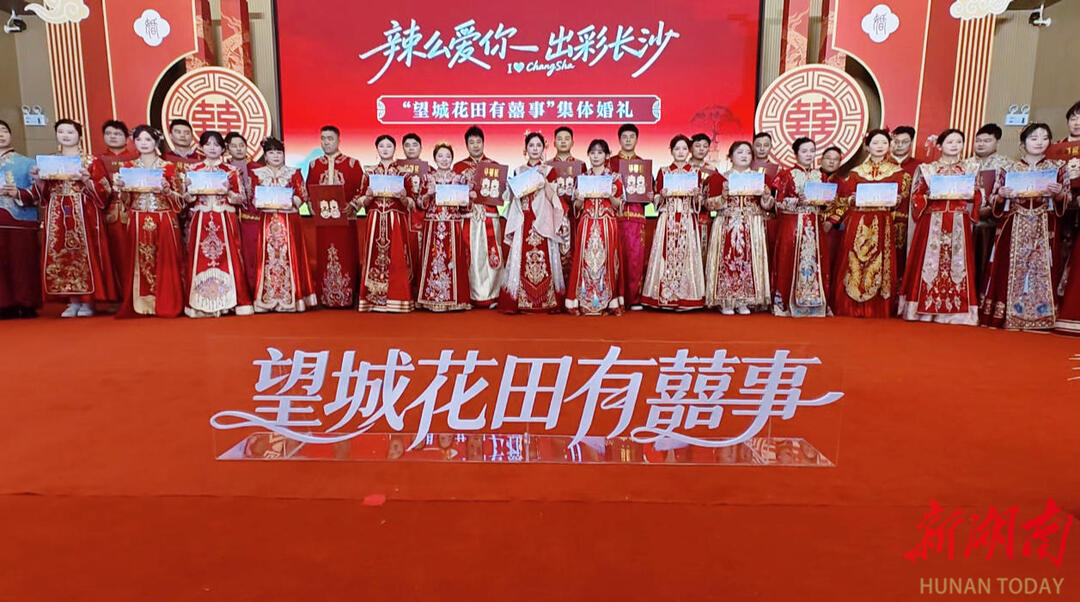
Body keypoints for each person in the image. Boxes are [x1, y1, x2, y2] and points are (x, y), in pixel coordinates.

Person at [977, 123, 1067, 330]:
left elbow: (1066, 199)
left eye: (1044, 138)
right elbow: (994, 200)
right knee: (1008, 267)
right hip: (1014, 223)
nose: (1039, 142)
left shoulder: (1057, 167)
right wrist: (1001, 195)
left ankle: (1041, 316)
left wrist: (1059, 194)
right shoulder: (1008, 168)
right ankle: (1007, 314)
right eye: (1034, 138)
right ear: (1023, 143)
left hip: (1044, 224)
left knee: (1042, 269)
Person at [30, 119, 118, 317]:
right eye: (61, 132)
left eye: (70, 132)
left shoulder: (91, 161)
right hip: (58, 211)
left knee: (84, 253)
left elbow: (105, 190)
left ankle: (89, 301)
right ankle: (72, 300)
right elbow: (43, 194)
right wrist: (38, 179)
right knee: (61, 253)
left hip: (84, 211)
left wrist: (87, 180)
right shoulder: (49, 161)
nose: (66, 135)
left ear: (79, 135)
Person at [825, 129, 911, 318]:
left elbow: (902, 201)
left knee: (879, 261)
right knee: (853, 260)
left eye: (884, 143)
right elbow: (844, 200)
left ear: (890, 145)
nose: (879, 146)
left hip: (882, 221)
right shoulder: (856, 172)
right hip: (858, 221)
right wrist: (852, 199)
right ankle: (850, 305)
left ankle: (877, 306)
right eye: (875, 143)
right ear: (867, 146)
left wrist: (897, 200)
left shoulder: (899, 173)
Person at [898, 129, 981, 325]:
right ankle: (923, 310)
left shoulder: (970, 168)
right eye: (950, 142)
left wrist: (973, 195)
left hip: (958, 221)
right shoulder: (928, 169)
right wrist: (928, 196)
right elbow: (916, 196)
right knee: (929, 265)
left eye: (958, 142)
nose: (954, 145)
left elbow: (978, 194)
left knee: (958, 265)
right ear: (940, 146)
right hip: (932, 221)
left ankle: (958, 312)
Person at [113, 125, 185, 318]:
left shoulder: (168, 167)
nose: (143, 143)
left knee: (165, 260)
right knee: (141, 260)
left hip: (163, 217)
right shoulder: (128, 168)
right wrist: (121, 189)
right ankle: (142, 302)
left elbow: (180, 201)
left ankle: (165, 302)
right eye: (139, 140)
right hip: (138, 217)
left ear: (156, 142)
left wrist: (168, 191)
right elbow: (126, 202)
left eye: (148, 139)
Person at [182, 130, 252, 317]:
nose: (212, 148)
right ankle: (200, 302)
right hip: (201, 218)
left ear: (223, 148)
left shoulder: (231, 171)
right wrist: (190, 192)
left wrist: (228, 192)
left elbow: (242, 199)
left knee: (229, 258)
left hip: (224, 217)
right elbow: (185, 199)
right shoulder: (193, 170)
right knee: (200, 258)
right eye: (208, 144)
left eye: (216, 144)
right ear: (201, 147)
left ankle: (230, 301)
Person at [498, 131, 569, 313]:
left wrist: (543, 181)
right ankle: (520, 300)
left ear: (543, 148)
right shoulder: (518, 171)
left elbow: (553, 197)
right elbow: (513, 197)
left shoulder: (549, 171)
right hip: (524, 219)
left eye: (538, 145)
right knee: (521, 257)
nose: (535, 149)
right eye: (531, 145)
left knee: (546, 256)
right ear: (525, 149)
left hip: (543, 220)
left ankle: (547, 301)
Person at [704, 140, 774, 314]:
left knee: (748, 261)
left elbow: (767, 206)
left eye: (748, 153)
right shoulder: (719, 178)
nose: (744, 156)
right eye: (740, 152)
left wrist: (766, 197)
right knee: (727, 260)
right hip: (727, 223)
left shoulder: (760, 178)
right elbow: (709, 205)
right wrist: (723, 196)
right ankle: (726, 301)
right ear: (730, 156)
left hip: (752, 224)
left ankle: (745, 300)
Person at [250, 137, 316, 313]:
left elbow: (302, 195)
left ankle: (293, 298)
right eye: (271, 152)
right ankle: (268, 299)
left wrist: (291, 200)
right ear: (265, 156)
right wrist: (259, 201)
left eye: (279, 152)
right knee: (268, 258)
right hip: (267, 221)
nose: (276, 156)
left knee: (290, 257)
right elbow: (252, 196)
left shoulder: (293, 173)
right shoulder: (257, 173)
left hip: (289, 220)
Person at [642, 135, 706, 311]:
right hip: (667, 217)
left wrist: (697, 196)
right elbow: (656, 198)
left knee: (686, 255)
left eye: (684, 149)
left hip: (687, 217)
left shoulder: (695, 171)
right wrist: (660, 195)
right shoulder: (663, 171)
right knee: (664, 253)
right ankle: (664, 297)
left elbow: (699, 202)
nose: (681, 152)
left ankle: (685, 297)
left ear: (689, 151)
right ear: (671, 151)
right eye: (677, 149)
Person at [770, 137, 831, 317]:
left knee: (816, 260)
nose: (808, 154)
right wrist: (797, 201)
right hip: (792, 224)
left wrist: (826, 201)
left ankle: (814, 303)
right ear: (796, 154)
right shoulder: (786, 175)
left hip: (814, 224)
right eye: (804, 151)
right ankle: (785, 303)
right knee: (788, 260)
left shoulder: (821, 176)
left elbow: (825, 204)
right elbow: (778, 203)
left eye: (812, 151)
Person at [353, 134, 414, 312]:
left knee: (397, 257)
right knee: (373, 257)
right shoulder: (369, 173)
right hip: (375, 219)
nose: (385, 149)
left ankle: (398, 298)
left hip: (396, 221)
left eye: (389, 146)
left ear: (394, 149)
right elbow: (360, 201)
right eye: (382, 146)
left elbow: (411, 202)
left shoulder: (404, 174)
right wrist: (368, 197)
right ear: (377, 149)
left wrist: (404, 198)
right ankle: (373, 300)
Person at [307, 125, 365, 308]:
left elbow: (362, 190)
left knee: (347, 257)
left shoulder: (352, 164)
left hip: (346, 221)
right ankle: (325, 297)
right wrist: (314, 207)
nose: (326, 142)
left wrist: (353, 205)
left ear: (339, 140)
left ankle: (347, 297)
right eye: (323, 138)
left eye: (330, 138)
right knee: (325, 256)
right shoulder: (314, 165)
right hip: (324, 222)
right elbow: (308, 191)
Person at [565, 138, 624, 315]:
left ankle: (609, 302)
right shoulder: (582, 178)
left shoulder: (614, 178)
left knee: (607, 261)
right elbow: (577, 207)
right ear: (588, 155)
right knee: (584, 262)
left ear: (607, 156)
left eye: (600, 153)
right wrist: (579, 199)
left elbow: (618, 206)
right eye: (592, 153)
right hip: (587, 223)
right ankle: (583, 300)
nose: (596, 156)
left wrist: (609, 196)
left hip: (607, 223)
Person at [415, 142, 471, 312]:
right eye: (440, 156)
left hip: (452, 225)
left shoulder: (459, 178)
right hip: (432, 224)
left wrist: (467, 197)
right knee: (433, 259)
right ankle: (430, 298)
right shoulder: (427, 178)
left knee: (453, 259)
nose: (444, 159)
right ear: (435, 158)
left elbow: (465, 207)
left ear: (452, 158)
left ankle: (455, 299)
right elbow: (419, 203)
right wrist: (428, 194)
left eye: (448, 156)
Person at [453, 125, 503, 307]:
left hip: (490, 215)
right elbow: (454, 194)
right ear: (466, 145)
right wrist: (466, 194)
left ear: (483, 143)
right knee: (471, 256)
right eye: (471, 142)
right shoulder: (458, 167)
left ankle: (493, 294)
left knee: (492, 253)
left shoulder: (494, 166)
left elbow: (501, 194)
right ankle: (471, 295)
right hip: (469, 217)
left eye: (478, 142)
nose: (475, 145)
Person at [964, 123, 1013, 292]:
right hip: (966, 219)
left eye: (987, 141)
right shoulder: (965, 164)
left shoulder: (1006, 165)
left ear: (997, 142)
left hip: (993, 221)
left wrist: (991, 207)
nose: (981, 144)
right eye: (978, 140)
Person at [0, 119, 40, 318]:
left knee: (22, 262)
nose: (0, 135)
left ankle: (26, 303)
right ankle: (4, 304)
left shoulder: (27, 163)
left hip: (19, 219)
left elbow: (39, 191)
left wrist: (18, 193)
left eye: (4, 130)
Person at [607, 123, 648, 309]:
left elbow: (647, 195)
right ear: (619, 139)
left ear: (637, 139)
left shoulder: (643, 164)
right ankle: (615, 296)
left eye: (632, 137)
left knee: (635, 259)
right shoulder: (610, 163)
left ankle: (634, 298)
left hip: (637, 217)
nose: (628, 140)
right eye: (625, 137)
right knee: (616, 257)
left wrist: (650, 194)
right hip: (615, 217)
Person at [225, 131, 261, 295]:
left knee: (253, 257)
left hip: (252, 220)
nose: (239, 149)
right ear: (227, 148)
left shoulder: (258, 168)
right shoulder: (224, 169)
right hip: (230, 219)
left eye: (242, 145)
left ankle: (255, 291)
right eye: (234, 146)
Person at [546, 126, 585, 274]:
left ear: (573, 142)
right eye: (559, 139)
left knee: (574, 254)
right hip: (552, 216)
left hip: (573, 216)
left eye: (567, 139)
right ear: (554, 143)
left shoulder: (580, 165)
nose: (563, 142)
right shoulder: (547, 166)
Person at [395, 132, 430, 290]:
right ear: (402, 148)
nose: (411, 148)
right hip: (400, 219)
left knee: (421, 255)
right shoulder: (396, 170)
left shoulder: (429, 170)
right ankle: (403, 292)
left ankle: (420, 291)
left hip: (422, 220)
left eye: (415, 145)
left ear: (421, 148)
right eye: (407, 145)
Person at [690, 132, 717, 260]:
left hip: (704, 217)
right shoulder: (684, 167)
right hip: (686, 215)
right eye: (698, 146)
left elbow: (715, 195)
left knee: (702, 254)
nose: (701, 149)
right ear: (691, 148)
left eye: (705, 146)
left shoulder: (712, 170)